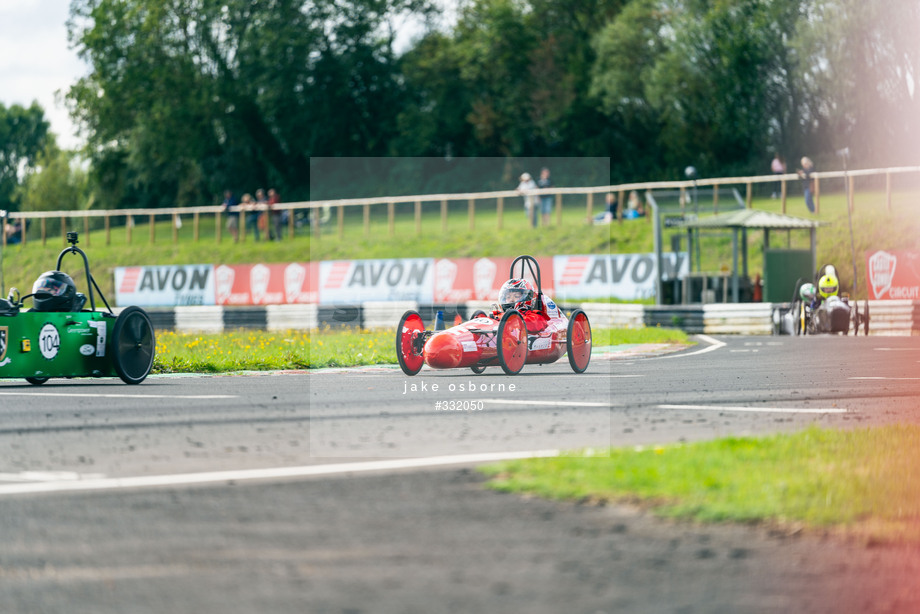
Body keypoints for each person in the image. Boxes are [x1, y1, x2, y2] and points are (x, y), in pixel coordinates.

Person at [495, 277, 561, 334]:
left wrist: (510, 322)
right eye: (508, 297)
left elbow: (537, 323)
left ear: (528, 298)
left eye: (516, 296)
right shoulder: (499, 314)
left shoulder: (533, 316)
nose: (511, 300)